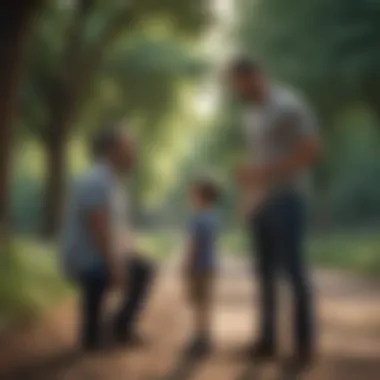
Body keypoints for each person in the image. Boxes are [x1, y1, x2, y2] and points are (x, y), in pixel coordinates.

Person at [227, 57, 320, 369]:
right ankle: (267, 341)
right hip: (263, 203)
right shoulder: (251, 115)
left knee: (293, 273)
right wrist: (247, 198)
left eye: (236, 82)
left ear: (253, 76)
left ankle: (304, 347)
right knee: (263, 274)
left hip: (288, 200)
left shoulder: (289, 105)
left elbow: (310, 151)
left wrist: (262, 171)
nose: (234, 89)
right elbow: (257, 162)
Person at [61, 126, 155, 351]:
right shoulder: (97, 180)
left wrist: (129, 253)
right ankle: (100, 332)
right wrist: (115, 267)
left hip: (98, 255)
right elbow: (98, 227)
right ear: (113, 150)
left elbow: (117, 229)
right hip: (87, 259)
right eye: (128, 147)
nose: (133, 153)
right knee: (136, 271)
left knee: (142, 267)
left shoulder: (112, 181)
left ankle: (115, 327)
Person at [183, 178, 220, 357]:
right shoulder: (213, 217)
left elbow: (193, 245)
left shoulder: (197, 219)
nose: (191, 198)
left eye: (193, 195)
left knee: (198, 304)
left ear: (201, 197)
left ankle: (199, 338)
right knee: (205, 304)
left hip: (198, 268)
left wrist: (186, 264)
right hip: (210, 266)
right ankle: (205, 337)